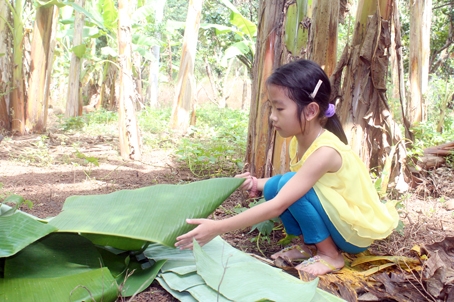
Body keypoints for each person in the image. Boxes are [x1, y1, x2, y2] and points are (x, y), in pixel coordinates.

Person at [175, 59, 399, 276]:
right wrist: (255, 183)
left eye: (279, 108)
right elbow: (293, 182)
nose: (273, 117)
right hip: (337, 220)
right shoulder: (299, 140)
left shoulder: (326, 151)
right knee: (277, 186)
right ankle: (308, 246)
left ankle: (331, 255)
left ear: (310, 111)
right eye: (271, 107)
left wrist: (218, 227)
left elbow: (280, 203)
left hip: (352, 233)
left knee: (285, 188)